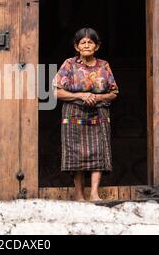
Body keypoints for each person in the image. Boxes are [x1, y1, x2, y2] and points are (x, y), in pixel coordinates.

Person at [52, 28, 119, 201]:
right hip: (74, 112)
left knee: (98, 150)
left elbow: (114, 93)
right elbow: (56, 92)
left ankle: (94, 194)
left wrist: (96, 97)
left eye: (91, 42)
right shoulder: (69, 65)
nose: (87, 45)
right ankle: (79, 194)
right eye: (83, 42)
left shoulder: (103, 66)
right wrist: (81, 95)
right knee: (76, 153)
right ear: (77, 46)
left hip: (98, 111)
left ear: (97, 46)